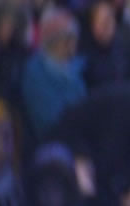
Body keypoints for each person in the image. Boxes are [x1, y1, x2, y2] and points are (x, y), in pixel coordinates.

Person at [21, 8, 87, 139]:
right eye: (70, 40)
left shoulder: (73, 68)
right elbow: (47, 120)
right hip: (54, 140)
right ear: (57, 42)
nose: (74, 46)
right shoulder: (36, 72)